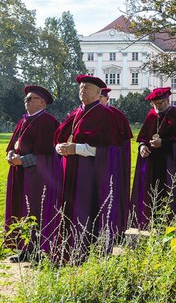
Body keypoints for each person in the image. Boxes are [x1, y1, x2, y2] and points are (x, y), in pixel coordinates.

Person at [54, 75, 120, 263]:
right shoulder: (75, 114)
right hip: (70, 170)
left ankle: (89, 253)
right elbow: (62, 137)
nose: (82, 90)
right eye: (81, 87)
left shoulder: (105, 115)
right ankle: (70, 249)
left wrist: (76, 149)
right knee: (69, 208)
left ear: (99, 93)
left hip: (91, 172)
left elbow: (106, 148)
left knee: (87, 209)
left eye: (87, 88)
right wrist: (59, 148)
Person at [4, 85, 60, 262]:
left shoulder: (48, 122)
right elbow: (13, 144)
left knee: (34, 210)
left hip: (37, 176)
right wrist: (10, 155)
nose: (26, 102)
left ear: (42, 102)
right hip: (19, 173)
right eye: (25, 99)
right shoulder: (23, 121)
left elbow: (47, 154)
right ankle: (25, 248)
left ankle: (38, 249)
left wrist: (24, 160)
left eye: (30, 99)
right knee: (19, 209)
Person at [130, 87, 176, 228]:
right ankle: (151, 224)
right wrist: (142, 147)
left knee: (171, 196)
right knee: (152, 195)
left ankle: (173, 224)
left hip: (172, 164)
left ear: (167, 100)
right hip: (153, 164)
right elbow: (143, 137)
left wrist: (164, 143)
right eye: (155, 104)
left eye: (160, 103)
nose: (157, 107)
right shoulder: (152, 115)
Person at [99, 88, 133, 233]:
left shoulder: (116, 115)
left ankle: (116, 228)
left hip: (113, 162)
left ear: (107, 98)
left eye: (100, 97)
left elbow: (123, 143)